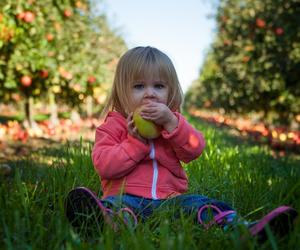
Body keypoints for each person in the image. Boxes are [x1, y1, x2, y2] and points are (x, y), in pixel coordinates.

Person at [65, 46, 298, 241]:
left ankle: (243, 229)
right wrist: (135, 143)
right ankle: (103, 222)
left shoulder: (173, 123)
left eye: (158, 86)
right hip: (126, 196)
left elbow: (194, 149)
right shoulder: (112, 127)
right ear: (121, 91)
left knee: (202, 205)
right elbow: (105, 166)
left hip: (171, 200)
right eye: (138, 86)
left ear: (170, 91)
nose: (150, 94)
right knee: (117, 207)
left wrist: (172, 124)